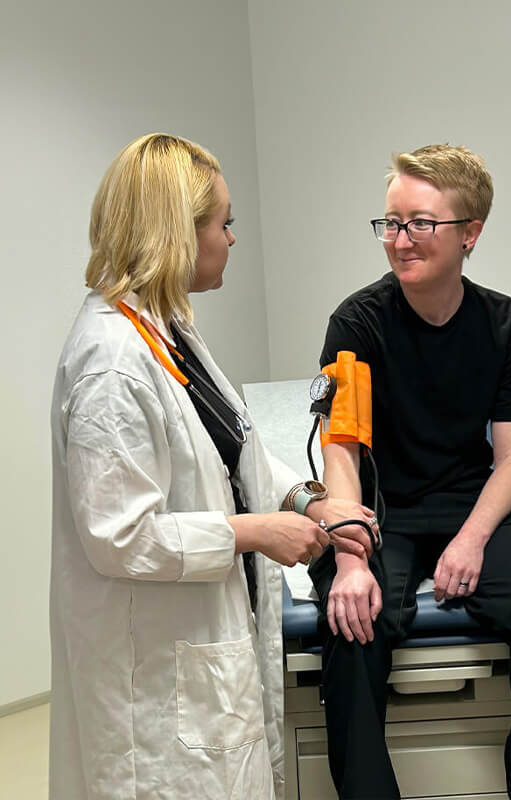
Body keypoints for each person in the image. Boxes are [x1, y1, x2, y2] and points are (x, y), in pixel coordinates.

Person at [49, 133, 378, 800]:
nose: (232, 238)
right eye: (223, 223)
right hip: (152, 681)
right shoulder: (112, 364)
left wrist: (310, 501)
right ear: (177, 231)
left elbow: (236, 449)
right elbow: (120, 536)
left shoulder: (166, 329)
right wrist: (255, 532)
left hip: (199, 656)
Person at [309, 144, 511, 799]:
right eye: (391, 222)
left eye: (420, 223)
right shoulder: (357, 322)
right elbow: (341, 449)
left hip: (472, 507)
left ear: (470, 234)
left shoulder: (505, 324)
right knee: (353, 620)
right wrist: (348, 557)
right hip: (381, 513)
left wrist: (472, 538)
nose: (400, 240)